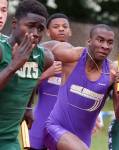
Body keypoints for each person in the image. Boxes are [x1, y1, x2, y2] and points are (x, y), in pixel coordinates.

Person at [41, 24, 119, 150]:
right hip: (54, 128)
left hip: (82, 141)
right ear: (89, 41)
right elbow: (41, 49)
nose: (105, 46)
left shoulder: (112, 73)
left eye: (110, 42)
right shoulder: (73, 57)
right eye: (100, 40)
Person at [0, 0, 54, 149]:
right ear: (15, 24)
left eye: (40, 29)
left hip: (8, 140)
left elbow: (31, 80)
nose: (35, 34)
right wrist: (13, 66)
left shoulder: (44, 58)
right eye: (30, 26)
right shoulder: (1, 50)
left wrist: (28, 107)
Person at [29, 13, 72, 150]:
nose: (61, 29)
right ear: (47, 31)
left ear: (70, 31)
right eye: (56, 26)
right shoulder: (39, 56)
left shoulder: (76, 60)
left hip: (64, 124)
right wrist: (48, 73)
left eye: (65, 26)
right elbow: (26, 87)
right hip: (39, 120)